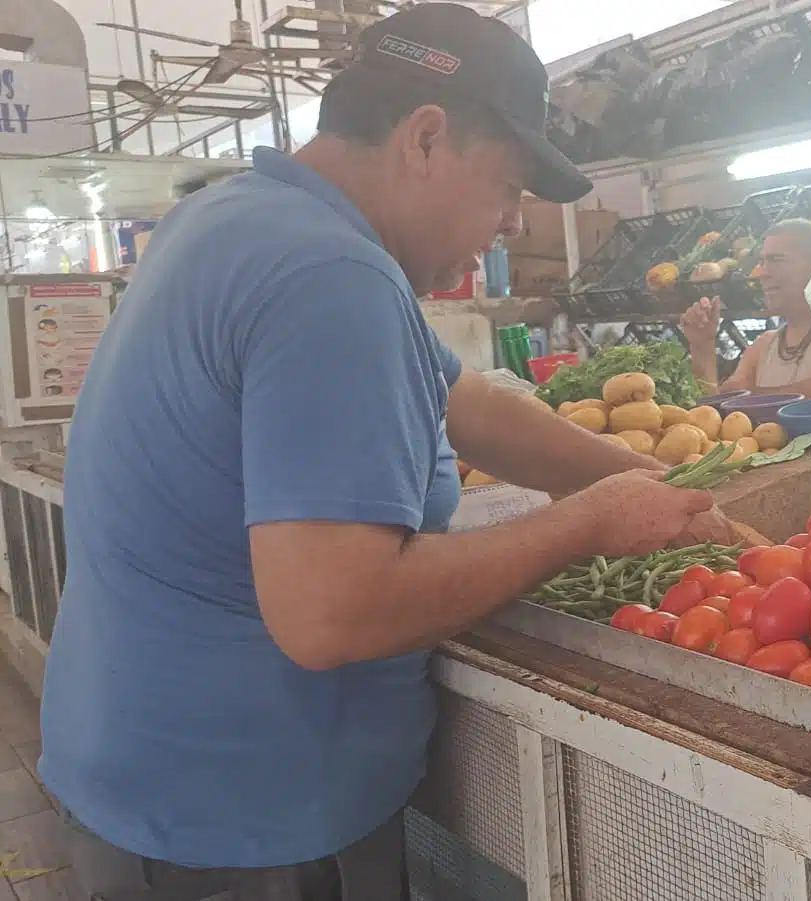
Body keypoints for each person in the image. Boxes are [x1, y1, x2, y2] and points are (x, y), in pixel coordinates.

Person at [40, 5, 731, 899]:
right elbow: (335, 613)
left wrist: (637, 477)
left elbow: (461, 402)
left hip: (143, 779)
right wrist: (585, 523)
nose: (513, 223)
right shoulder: (333, 278)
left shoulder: (237, 220)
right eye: (508, 183)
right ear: (427, 137)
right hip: (241, 830)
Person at [680, 218, 811, 399]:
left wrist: (745, 395)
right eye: (762, 262)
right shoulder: (763, 346)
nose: (763, 273)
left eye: (775, 260)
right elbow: (717, 411)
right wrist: (702, 346)